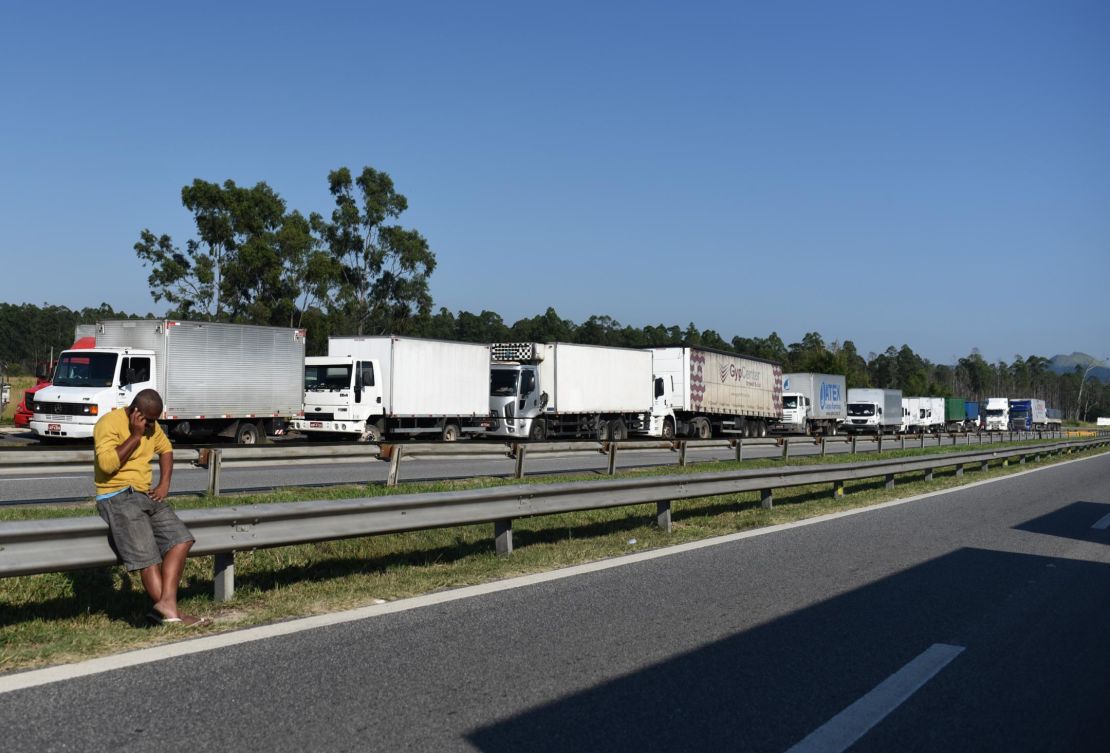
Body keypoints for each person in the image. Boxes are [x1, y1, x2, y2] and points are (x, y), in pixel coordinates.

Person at [94, 389, 207, 626]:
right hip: (117, 497)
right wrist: (135, 436)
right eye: (149, 421)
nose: (152, 426)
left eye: (155, 421)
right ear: (136, 412)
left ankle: (166, 605)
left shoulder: (152, 427)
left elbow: (166, 449)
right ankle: (173, 614)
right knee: (149, 558)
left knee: (181, 539)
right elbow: (106, 465)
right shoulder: (108, 424)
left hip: (145, 495)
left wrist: (164, 483)